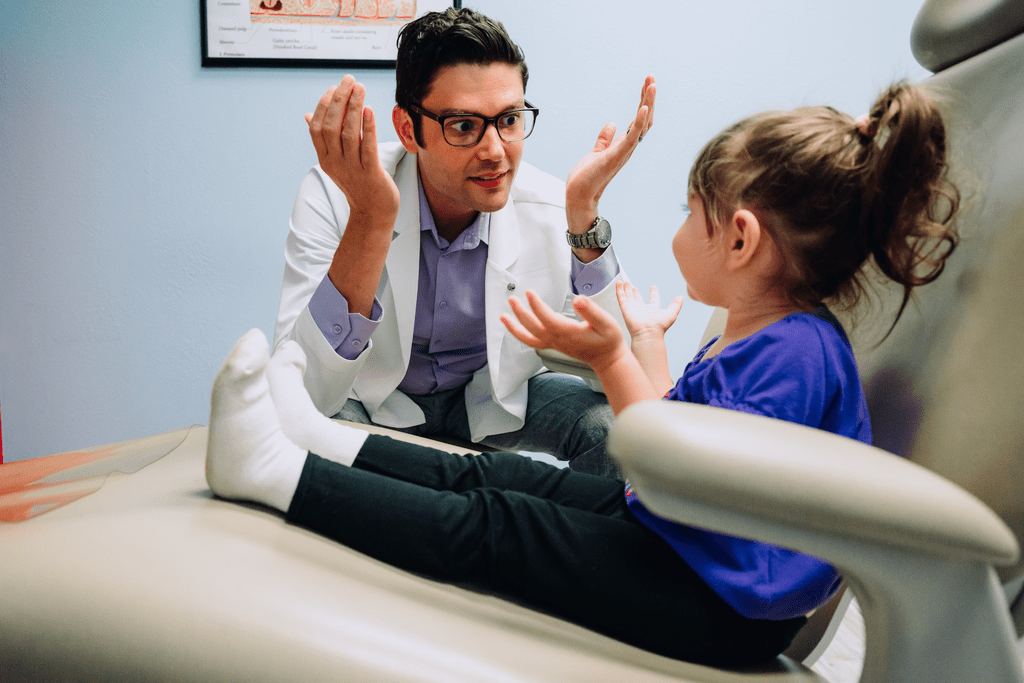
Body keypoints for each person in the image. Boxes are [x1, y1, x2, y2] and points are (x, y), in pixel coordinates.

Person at [207, 81, 958, 666]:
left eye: (688, 211)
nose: (676, 231)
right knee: (498, 480)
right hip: (692, 550)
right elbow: (685, 425)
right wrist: (640, 342)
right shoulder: (772, 332)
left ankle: (277, 474)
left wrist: (608, 357)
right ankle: (312, 437)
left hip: (718, 607)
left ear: (739, 239)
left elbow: (679, 467)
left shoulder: (793, 353)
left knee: (497, 527)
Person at [273, 7, 655, 478]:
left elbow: (633, 382)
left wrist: (584, 223)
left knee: (616, 430)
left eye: (510, 120)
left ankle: (586, 547)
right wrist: (371, 221)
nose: (495, 151)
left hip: (488, 395)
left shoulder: (557, 207)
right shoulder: (339, 194)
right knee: (311, 443)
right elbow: (302, 389)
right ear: (409, 129)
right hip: (372, 398)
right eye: (463, 126)